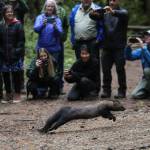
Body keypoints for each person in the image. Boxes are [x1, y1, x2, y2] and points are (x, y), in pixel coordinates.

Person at [90, 0, 128, 99]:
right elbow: (95, 17)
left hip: (119, 47)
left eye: (114, 0)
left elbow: (124, 14)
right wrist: (92, 13)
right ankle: (106, 90)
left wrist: (113, 12)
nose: (111, 2)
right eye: (110, 0)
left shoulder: (123, 13)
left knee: (120, 69)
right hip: (106, 47)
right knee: (106, 70)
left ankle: (122, 91)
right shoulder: (105, 14)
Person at [34, 0, 63, 94]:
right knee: (41, 68)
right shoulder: (40, 17)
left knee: (53, 69)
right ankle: (42, 89)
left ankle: (54, 89)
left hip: (54, 48)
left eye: (51, 6)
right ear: (45, 7)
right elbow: (36, 29)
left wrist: (55, 27)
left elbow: (60, 33)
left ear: (54, 8)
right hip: (42, 48)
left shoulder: (57, 19)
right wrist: (43, 24)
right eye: (48, 6)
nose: (49, 8)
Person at [0, 5, 25, 103]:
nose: (9, 13)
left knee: (16, 75)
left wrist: (16, 52)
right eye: (7, 12)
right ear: (4, 14)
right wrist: (1, 52)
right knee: (5, 74)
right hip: (3, 55)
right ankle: (9, 94)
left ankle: (17, 95)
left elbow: (21, 41)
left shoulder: (18, 24)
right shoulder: (1, 25)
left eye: (11, 12)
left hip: (15, 54)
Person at [43, 0, 69, 93]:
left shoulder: (62, 11)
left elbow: (66, 25)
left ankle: (59, 86)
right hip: (46, 42)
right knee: (45, 63)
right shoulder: (44, 11)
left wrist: (63, 37)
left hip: (58, 41)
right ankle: (45, 86)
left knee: (59, 64)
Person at [125, 31, 150, 99]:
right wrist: (128, 47)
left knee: (147, 70)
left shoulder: (143, 49)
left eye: (149, 36)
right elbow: (129, 57)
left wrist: (143, 49)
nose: (147, 37)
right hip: (147, 78)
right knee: (135, 95)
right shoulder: (143, 48)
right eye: (146, 36)